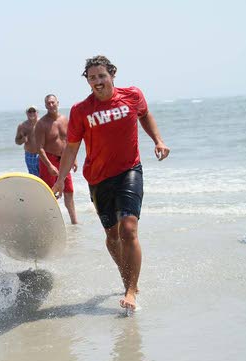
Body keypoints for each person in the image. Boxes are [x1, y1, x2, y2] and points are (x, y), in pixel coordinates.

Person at [52, 55, 170, 311]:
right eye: (92, 78)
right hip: (98, 177)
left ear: (112, 75)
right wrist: (61, 179)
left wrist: (158, 140)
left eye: (101, 76)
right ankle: (126, 276)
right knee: (112, 236)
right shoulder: (81, 110)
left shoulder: (132, 95)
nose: (97, 82)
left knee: (129, 229)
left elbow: (145, 115)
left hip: (129, 171)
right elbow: (72, 147)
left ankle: (131, 290)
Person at [35, 94, 78, 224]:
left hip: (64, 159)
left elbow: (70, 141)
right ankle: (51, 222)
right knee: (50, 193)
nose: (51, 105)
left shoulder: (65, 119)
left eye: (53, 102)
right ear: (45, 105)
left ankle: (74, 221)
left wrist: (74, 159)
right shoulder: (42, 124)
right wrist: (49, 165)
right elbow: (39, 148)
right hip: (49, 160)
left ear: (58, 103)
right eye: (48, 103)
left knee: (69, 191)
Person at [15, 105, 40, 176]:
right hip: (30, 155)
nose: (31, 113)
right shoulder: (22, 126)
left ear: (37, 112)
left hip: (42, 154)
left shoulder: (42, 123)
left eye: (33, 111)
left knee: (46, 176)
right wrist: (22, 140)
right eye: (29, 111)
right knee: (34, 177)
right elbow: (17, 141)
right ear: (26, 113)